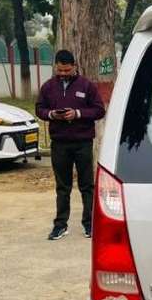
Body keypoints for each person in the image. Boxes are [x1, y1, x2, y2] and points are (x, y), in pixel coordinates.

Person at [36, 49, 106, 241]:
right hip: (59, 143)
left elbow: (99, 110)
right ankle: (60, 225)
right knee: (62, 186)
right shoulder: (48, 87)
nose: (64, 74)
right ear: (56, 67)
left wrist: (78, 114)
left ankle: (90, 224)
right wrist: (52, 115)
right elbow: (39, 109)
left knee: (86, 185)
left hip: (82, 142)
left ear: (74, 66)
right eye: (60, 70)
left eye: (67, 70)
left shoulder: (87, 86)